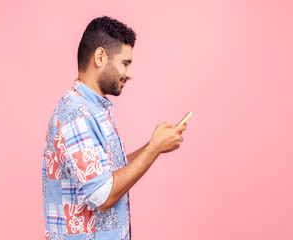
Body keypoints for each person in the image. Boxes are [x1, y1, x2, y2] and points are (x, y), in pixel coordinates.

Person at [42, 16, 187, 240]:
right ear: (100, 57)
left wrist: (155, 144)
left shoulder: (94, 109)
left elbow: (106, 175)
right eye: (125, 63)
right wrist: (154, 148)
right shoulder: (76, 115)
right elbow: (103, 196)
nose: (129, 74)